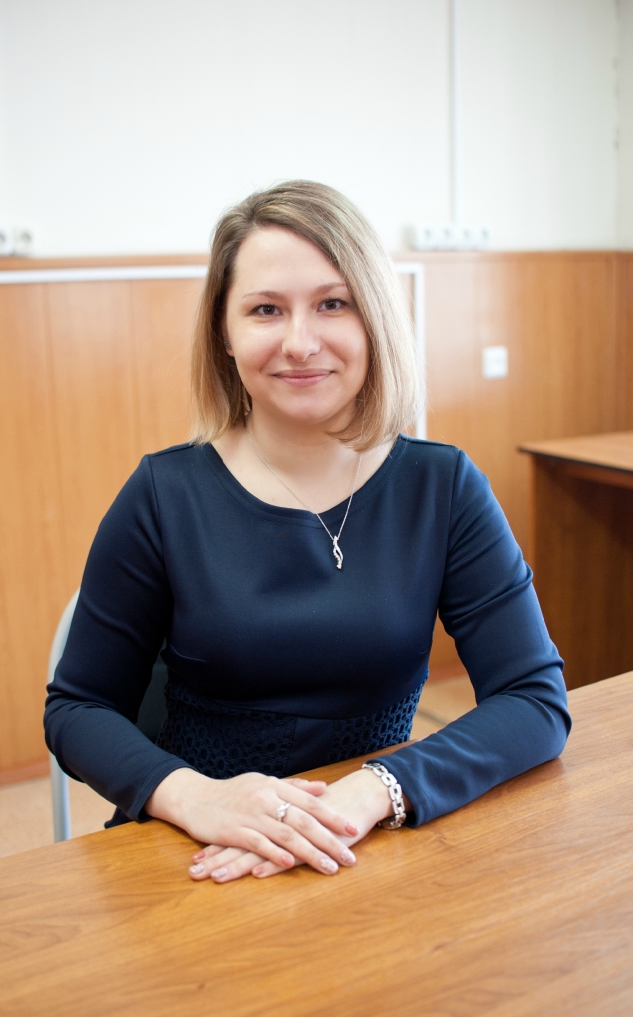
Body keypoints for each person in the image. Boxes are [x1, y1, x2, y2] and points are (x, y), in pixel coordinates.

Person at [44, 180, 570, 883]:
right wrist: (197, 798)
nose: (300, 342)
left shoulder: (442, 486)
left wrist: (369, 793)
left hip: (370, 841)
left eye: (333, 303)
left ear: (373, 318)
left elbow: (533, 700)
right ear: (224, 333)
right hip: (193, 850)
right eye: (265, 309)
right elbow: (77, 708)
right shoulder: (162, 494)